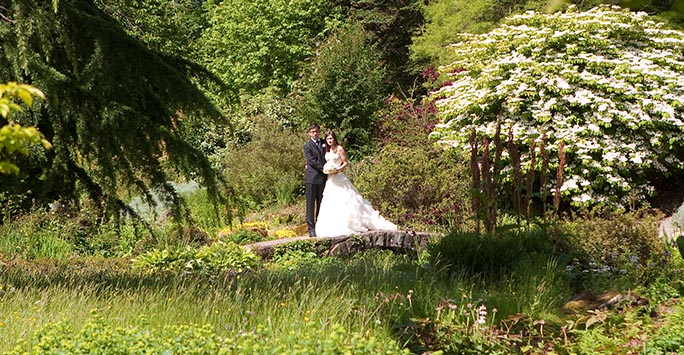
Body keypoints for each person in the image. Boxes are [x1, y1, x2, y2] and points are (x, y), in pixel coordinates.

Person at [314, 130, 398, 237]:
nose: (330, 141)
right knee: (331, 201)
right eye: (328, 139)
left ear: (334, 138)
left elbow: (346, 162)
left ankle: (353, 222)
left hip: (339, 177)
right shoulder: (326, 150)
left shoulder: (339, 149)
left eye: (331, 138)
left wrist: (338, 169)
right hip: (330, 179)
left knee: (346, 200)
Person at [304, 123, 327, 238]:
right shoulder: (307, 146)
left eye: (316, 131)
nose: (315, 134)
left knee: (321, 203)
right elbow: (311, 161)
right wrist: (324, 168)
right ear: (309, 133)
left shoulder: (324, 142)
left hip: (323, 179)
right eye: (312, 132)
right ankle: (311, 229)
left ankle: (320, 226)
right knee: (310, 204)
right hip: (312, 178)